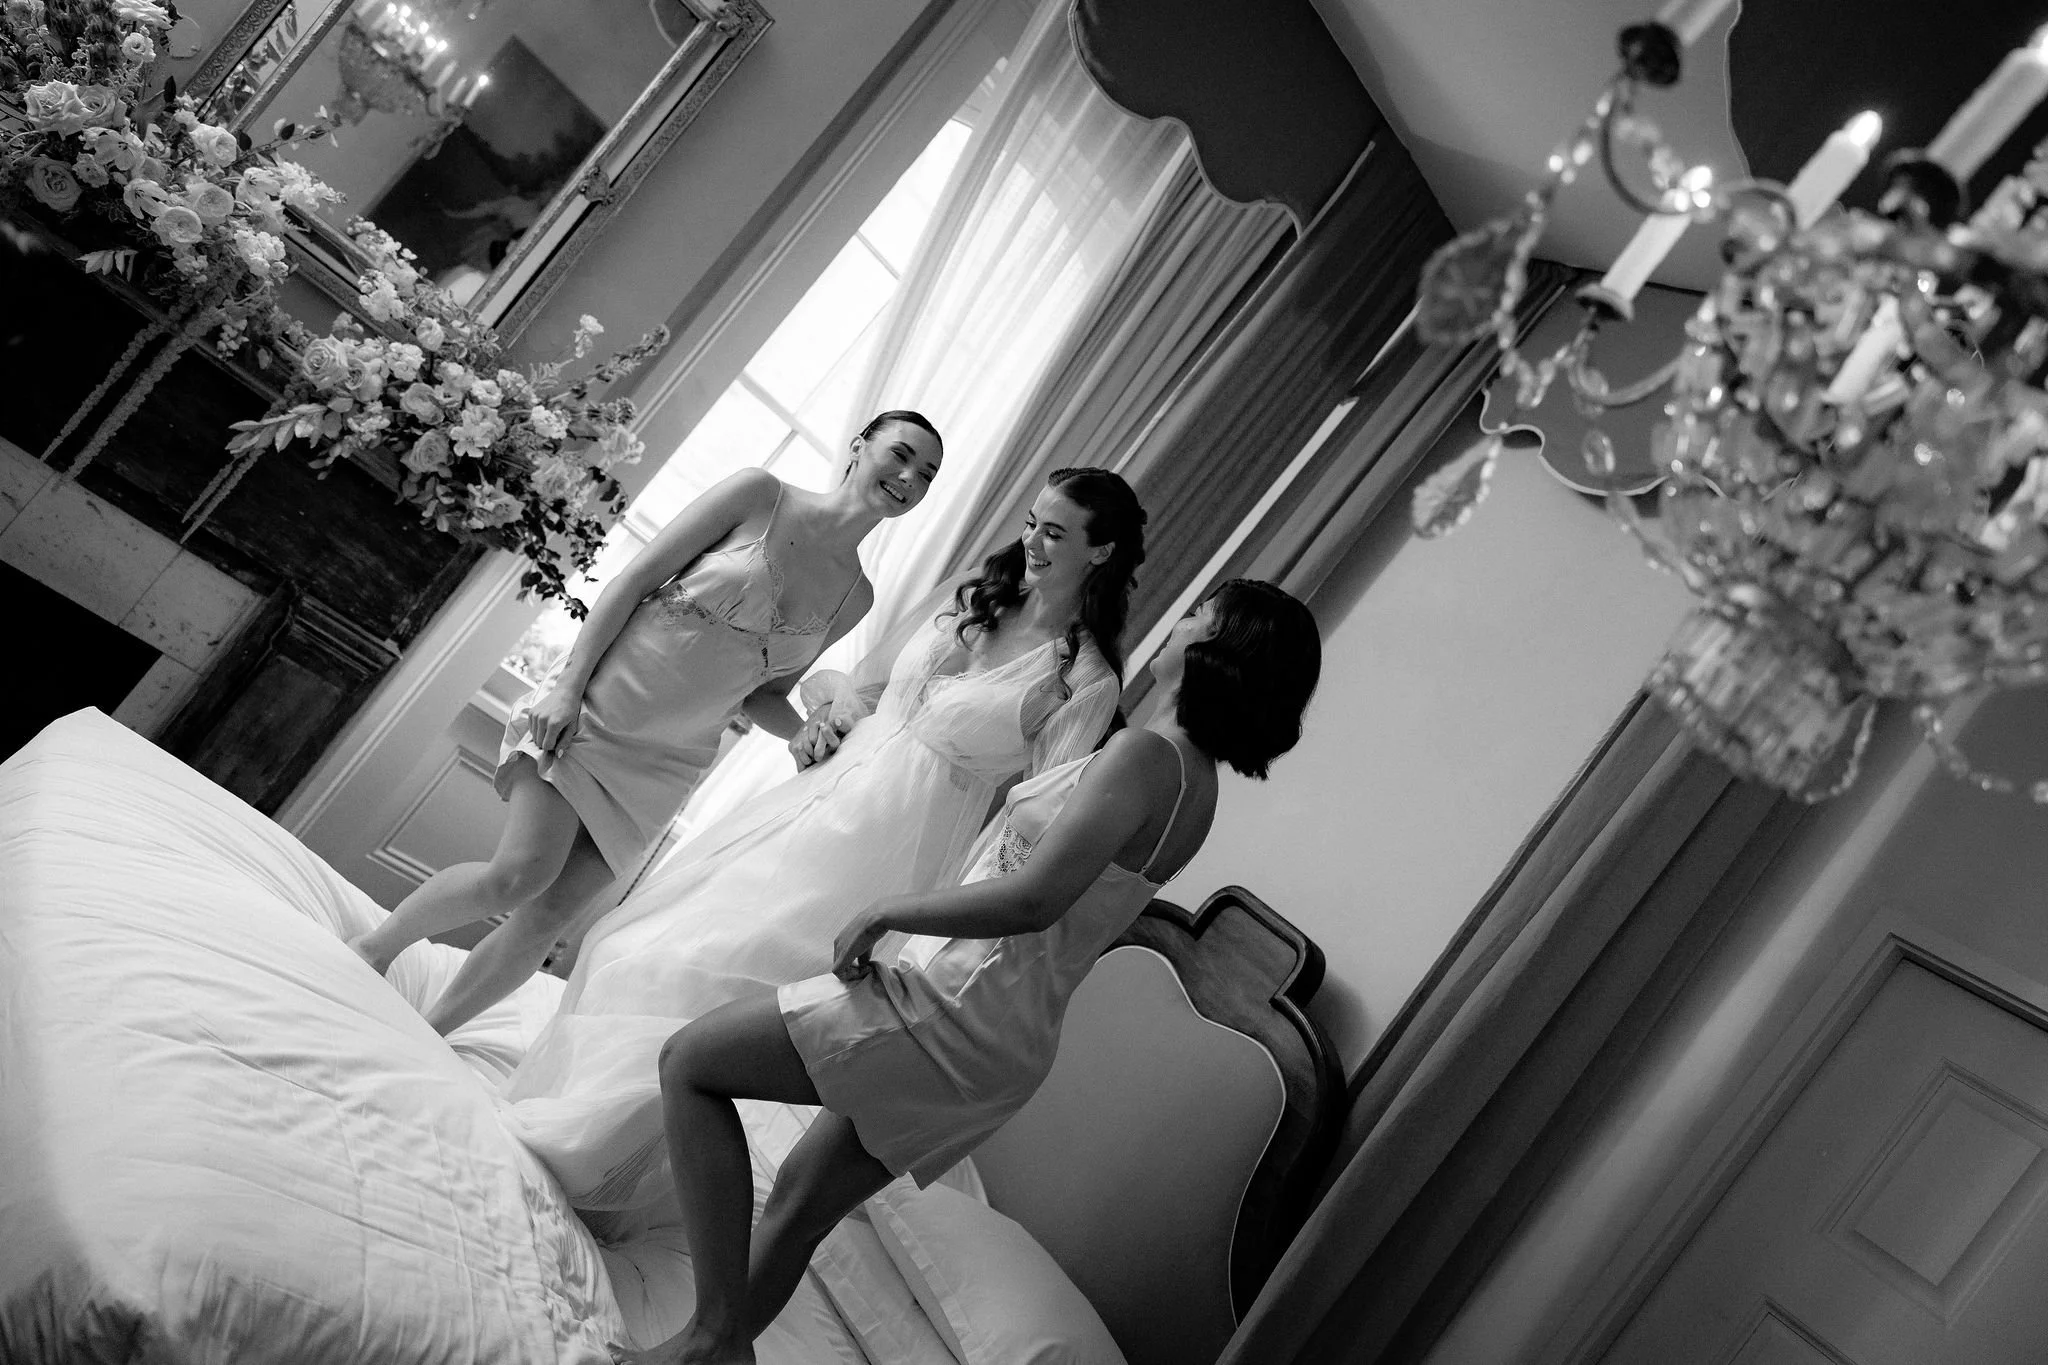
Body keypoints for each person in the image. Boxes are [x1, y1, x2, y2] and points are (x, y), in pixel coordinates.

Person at [626, 579, 1322, 1364]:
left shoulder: (1147, 757)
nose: (1182, 618)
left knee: (691, 1064)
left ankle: (711, 1336)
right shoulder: (1196, 788)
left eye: (1201, 614)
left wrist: (886, 910)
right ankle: (716, 1349)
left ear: (1221, 650)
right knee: (800, 1202)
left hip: (955, 1008)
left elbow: (1034, 899)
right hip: (999, 1035)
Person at [501, 467, 1148, 1212]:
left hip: (898, 840)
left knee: (731, 979)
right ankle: (575, 1121)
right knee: (657, 942)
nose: (1032, 541)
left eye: (1055, 533)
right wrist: (828, 712)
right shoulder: (977, 596)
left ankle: (602, 1173)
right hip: (824, 793)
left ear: (1101, 552)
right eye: (1032, 521)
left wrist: (950, 924)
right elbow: (862, 687)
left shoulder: (1084, 681)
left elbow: (1033, 820)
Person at [348, 411, 944, 1034]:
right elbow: (634, 580)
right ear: (860, 445)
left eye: (926, 474)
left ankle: (428, 1033)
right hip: (596, 713)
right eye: (900, 454)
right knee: (517, 876)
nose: (909, 477)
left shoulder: (856, 597)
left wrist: (800, 732)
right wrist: (569, 686)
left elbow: (765, 692)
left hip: (667, 766)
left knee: (548, 920)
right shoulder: (758, 495)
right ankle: (373, 951)